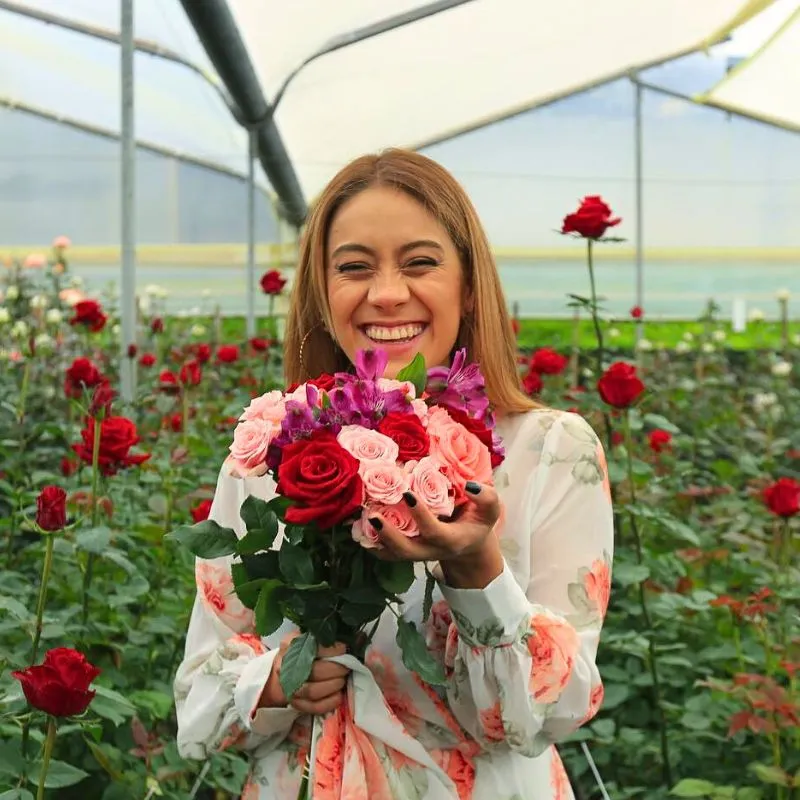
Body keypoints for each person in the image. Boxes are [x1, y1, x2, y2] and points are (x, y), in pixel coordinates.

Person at [174, 149, 614, 799]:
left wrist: (477, 573)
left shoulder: (548, 452)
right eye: (354, 268)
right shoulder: (269, 452)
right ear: (323, 296)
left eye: (420, 262)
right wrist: (271, 682)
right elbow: (197, 709)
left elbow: (544, 714)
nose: (386, 293)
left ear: (468, 286)